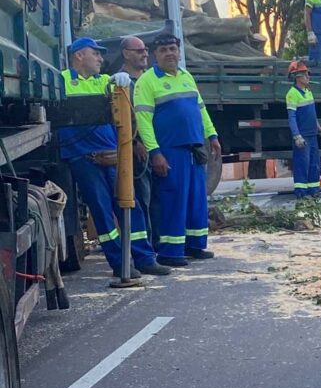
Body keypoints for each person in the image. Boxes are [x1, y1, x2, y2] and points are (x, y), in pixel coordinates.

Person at [59, 37, 169, 277]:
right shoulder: (62, 81)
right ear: (79, 56)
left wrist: (123, 86)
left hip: (112, 157)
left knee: (130, 205)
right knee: (102, 210)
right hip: (84, 158)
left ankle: (144, 258)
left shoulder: (105, 82)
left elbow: (126, 111)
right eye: (95, 54)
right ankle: (120, 264)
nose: (100, 59)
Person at [134, 34, 221, 267]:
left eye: (173, 48)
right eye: (164, 50)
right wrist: (155, 153)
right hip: (169, 150)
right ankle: (170, 252)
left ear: (179, 52)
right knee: (173, 200)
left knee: (196, 199)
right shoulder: (147, 81)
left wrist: (212, 136)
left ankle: (194, 246)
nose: (170, 53)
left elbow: (200, 109)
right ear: (155, 55)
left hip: (194, 148)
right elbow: (143, 121)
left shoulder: (186, 76)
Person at [119, 36, 159, 248]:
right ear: (126, 53)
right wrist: (135, 143)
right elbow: (121, 118)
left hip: (157, 148)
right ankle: (147, 248)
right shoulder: (121, 82)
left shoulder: (150, 79)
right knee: (142, 200)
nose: (145, 54)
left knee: (157, 199)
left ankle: (160, 244)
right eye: (139, 50)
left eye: (145, 49)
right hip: (139, 152)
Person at [286, 61, 321, 198]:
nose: (308, 77)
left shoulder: (308, 92)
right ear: (297, 77)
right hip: (303, 136)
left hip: (312, 135)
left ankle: (314, 191)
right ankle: (301, 193)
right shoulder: (292, 94)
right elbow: (291, 117)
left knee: (314, 165)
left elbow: (313, 116)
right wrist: (297, 136)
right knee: (302, 165)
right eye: (305, 74)